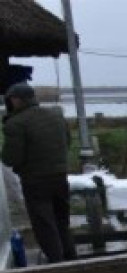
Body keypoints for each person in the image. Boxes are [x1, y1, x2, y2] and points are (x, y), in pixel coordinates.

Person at [1, 83, 75, 263]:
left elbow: (11, 158)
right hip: (59, 175)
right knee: (61, 220)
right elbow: (68, 141)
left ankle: (57, 263)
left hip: (35, 181)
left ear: (16, 100)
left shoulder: (15, 124)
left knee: (44, 223)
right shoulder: (57, 115)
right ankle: (71, 257)